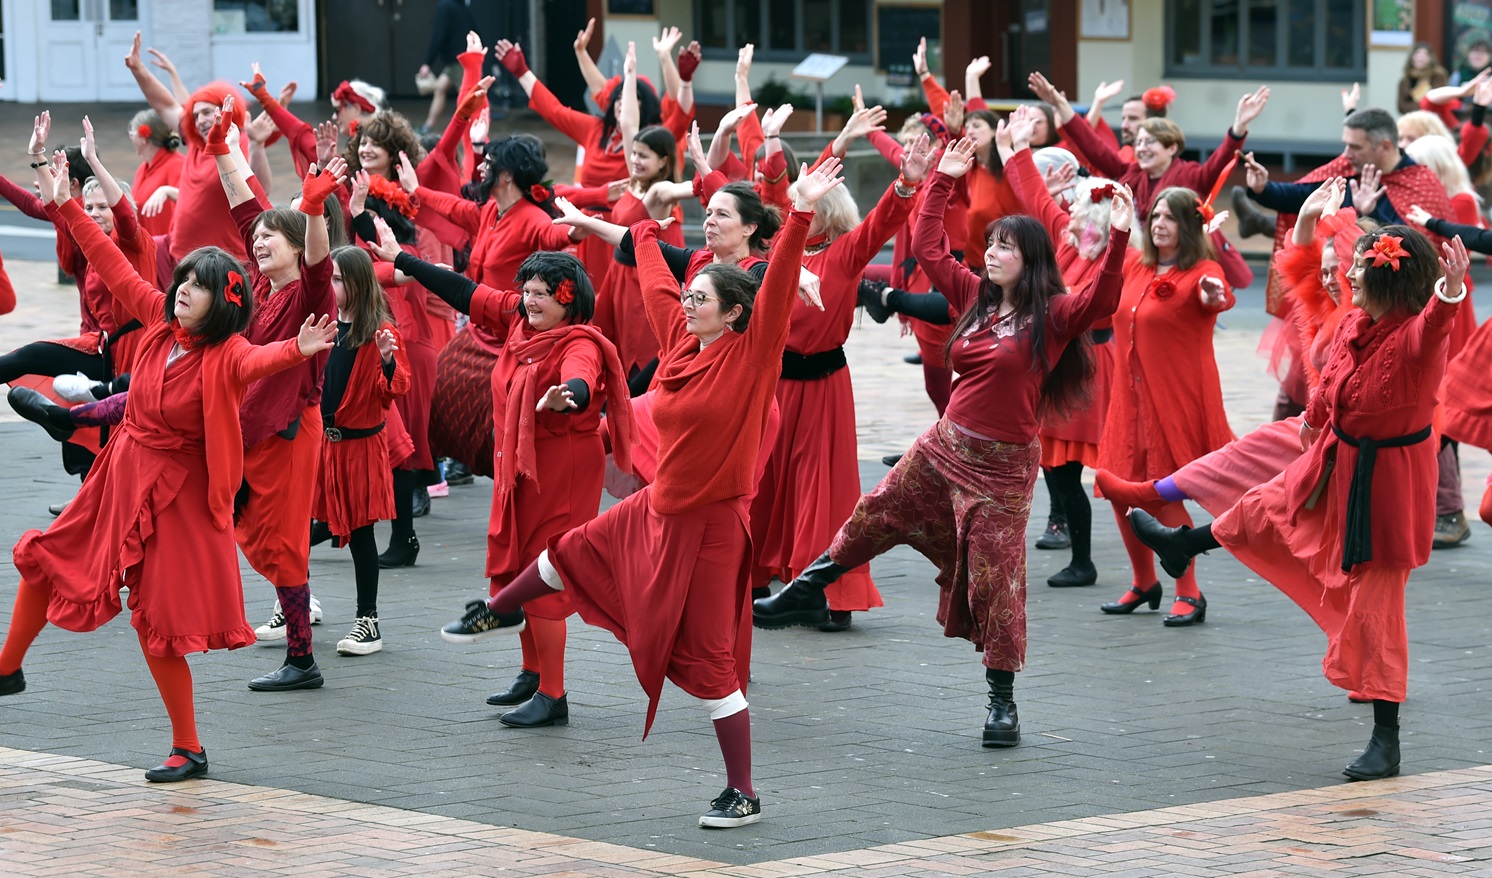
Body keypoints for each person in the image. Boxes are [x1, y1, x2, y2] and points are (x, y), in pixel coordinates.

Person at [437, 158, 843, 829]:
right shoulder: (683, 347)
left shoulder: (752, 353)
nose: (688, 306)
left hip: (711, 526)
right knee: (567, 551)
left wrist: (798, 212)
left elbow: (770, 300)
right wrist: (645, 225)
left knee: (713, 665)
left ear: (736, 312)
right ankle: (501, 610)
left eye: (702, 300)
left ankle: (742, 791)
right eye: (690, 300)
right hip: (659, 508)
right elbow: (654, 278)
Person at [754, 136, 1135, 749]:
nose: (990, 253)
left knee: (998, 580)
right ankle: (805, 592)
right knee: (875, 512)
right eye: (989, 244)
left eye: (1004, 246)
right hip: (943, 444)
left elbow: (1105, 298)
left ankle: (1002, 704)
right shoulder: (970, 297)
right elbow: (928, 245)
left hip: (1005, 468)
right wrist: (939, 179)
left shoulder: (1054, 315)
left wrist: (1117, 236)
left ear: (1031, 259)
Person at [0, 149, 336, 783]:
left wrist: (299, 347)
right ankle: (6, 669)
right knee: (44, 556)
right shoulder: (157, 321)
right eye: (183, 280)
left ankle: (189, 747)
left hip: (179, 495)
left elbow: (262, 363)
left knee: (158, 624)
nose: (183, 290)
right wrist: (65, 199)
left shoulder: (228, 353)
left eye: (198, 286)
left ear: (222, 302)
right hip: (123, 473)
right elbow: (106, 256)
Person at [1127, 227, 1470, 782]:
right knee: (1266, 504)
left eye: (1359, 266)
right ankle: (1183, 544)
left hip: (1390, 481)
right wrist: (1311, 423)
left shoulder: (1414, 336)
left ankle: (1387, 740)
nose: (1349, 274)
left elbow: (1436, 327)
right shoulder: (1358, 322)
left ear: (1385, 279)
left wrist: (1449, 292)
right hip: (1339, 456)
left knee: (1378, 604)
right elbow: (1330, 384)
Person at [376, 230, 631, 727]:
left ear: (568, 300)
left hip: (563, 471)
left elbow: (579, 377)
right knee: (517, 567)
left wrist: (569, 396)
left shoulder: (580, 343)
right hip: (520, 467)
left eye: (541, 293)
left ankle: (553, 695)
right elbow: (461, 290)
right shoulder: (519, 321)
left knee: (546, 575)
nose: (529, 300)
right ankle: (531, 672)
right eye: (527, 291)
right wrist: (402, 258)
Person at [209, 101, 344, 690]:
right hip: (248, 428)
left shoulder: (312, 292)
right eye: (258, 240)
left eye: (271, 240)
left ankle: (302, 659)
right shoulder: (262, 282)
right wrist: (221, 148)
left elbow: (318, 257)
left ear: (295, 246)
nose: (259, 244)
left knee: (283, 546)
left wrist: (312, 207)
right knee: (254, 536)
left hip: (290, 434)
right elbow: (245, 203)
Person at [1096, 187, 1235, 625]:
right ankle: (1143, 581)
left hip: (1175, 400)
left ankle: (1188, 591)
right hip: (1128, 398)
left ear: (1189, 225)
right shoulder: (1139, 265)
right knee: (1118, 486)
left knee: (1161, 490)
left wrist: (1215, 297)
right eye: (1154, 215)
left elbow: (1218, 296)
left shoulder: (1203, 271)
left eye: (1170, 217)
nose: (1158, 224)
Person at [998, 107, 1124, 588]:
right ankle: (1077, 550)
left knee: (1067, 470)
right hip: (1057, 361)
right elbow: (1034, 194)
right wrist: (1018, 148)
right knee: (1054, 463)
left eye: (1075, 211)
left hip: (1087, 363)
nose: (1064, 214)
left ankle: (1085, 560)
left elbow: (1102, 307)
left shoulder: (1111, 257)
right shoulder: (1067, 241)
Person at [312, 246, 411, 656]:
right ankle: (294, 604)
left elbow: (396, 390)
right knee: (302, 526)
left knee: (361, 534)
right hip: (324, 446)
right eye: (330, 279)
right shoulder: (324, 326)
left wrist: (388, 360)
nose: (332, 286)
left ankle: (367, 622)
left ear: (356, 283)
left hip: (360, 447)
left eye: (338, 279)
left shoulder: (379, 331)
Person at [418, 0, 481, 133]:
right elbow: (474, 29)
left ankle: (475, 129)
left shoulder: (444, 6)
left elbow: (438, 35)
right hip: (460, 59)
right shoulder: (461, 5)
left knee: (467, 97)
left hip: (457, 61)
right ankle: (427, 126)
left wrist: (428, 63)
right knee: (440, 89)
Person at [129, 108, 184, 239]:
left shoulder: (177, 165)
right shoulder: (143, 168)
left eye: (132, 133)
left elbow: (190, 201)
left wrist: (166, 191)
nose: (130, 137)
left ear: (144, 137)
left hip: (167, 250)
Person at [1399, 42, 1449, 114]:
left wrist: (1414, 106)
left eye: (1425, 54)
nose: (1421, 57)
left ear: (1430, 58)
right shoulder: (1405, 80)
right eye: (1417, 54)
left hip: (1432, 118)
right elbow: (1401, 107)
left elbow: (1434, 101)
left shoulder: (1437, 76)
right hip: (1411, 119)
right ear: (1412, 57)